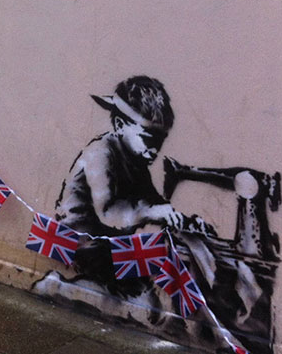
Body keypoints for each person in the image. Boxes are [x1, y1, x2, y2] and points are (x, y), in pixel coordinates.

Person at [53, 76, 213, 295]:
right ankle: (67, 288)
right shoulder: (101, 152)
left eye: (161, 141)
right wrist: (153, 212)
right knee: (155, 267)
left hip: (109, 245)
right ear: (120, 125)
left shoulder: (137, 162)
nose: (155, 150)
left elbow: (154, 204)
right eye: (149, 139)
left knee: (177, 252)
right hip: (83, 246)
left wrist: (184, 221)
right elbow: (109, 213)